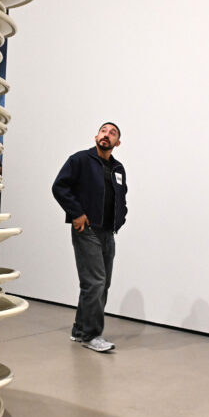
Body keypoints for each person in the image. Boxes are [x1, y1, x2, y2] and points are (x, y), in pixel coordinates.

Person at [51, 122, 128, 352]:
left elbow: (121, 197)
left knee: (100, 284)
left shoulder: (118, 168)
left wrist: (120, 218)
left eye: (112, 133)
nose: (106, 135)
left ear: (117, 143)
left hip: (108, 232)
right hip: (87, 229)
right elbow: (59, 187)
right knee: (95, 282)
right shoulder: (80, 160)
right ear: (96, 136)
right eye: (103, 131)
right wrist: (76, 213)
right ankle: (92, 335)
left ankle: (79, 329)